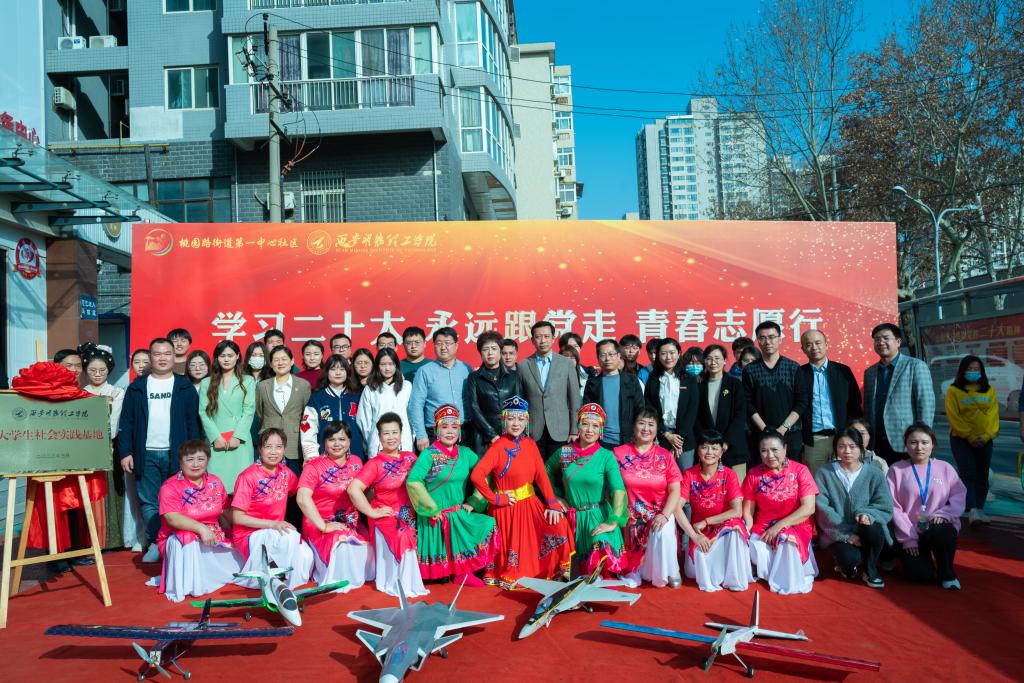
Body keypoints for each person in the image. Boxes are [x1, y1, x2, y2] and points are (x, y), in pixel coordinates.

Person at [470, 396, 574, 589]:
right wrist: (495, 498)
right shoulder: (498, 446)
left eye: (520, 418)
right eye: (511, 418)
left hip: (530, 503)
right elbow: (477, 475)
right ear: (504, 420)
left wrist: (551, 503)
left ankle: (557, 570)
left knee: (559, 523)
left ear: (526, 421)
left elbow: (541, 475)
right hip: (507, 509)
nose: (516, 423)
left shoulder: (531, 444)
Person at [119, 337, 202, 564]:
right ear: (150, 357)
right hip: (145, 454)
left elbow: (193, 422)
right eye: (157, 354)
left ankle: (178, 541)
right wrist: (126, 452)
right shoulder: (137, 387)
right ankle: (157, 542)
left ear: (174, 357)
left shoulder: (184, 387)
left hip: (178, 454)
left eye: (167, 353)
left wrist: (194, 453)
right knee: (150, 502)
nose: (162, 358)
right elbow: (126, 422)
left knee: (180, 499)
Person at [407, 405, 499, 585]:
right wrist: (431, 509)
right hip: (435, 516)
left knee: (489, 523)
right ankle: (445, 571)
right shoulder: (428, 455)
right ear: (436, 430)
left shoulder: (466, 454)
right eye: (444, 426)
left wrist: (474, 501)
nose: (450, 431)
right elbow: (413, 481)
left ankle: (462, 572)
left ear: (459, 430)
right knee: (436, 581)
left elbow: (485, 475)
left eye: (454, 426)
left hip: (457, 513)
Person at [348, 413, 427, 597]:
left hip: (411, 513)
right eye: (386, 433)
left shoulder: (411, 458)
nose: (391, 437)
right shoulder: (374, 464)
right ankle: (404, 584)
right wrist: (371, 512)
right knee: (404, 535)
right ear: (379, 436)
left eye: (395, 432)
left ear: (401, 433)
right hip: (387, 515)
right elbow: (353, 489)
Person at [546, 403, 628, 576]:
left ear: (601, 430)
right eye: (585, 424)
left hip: (597, 515)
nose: (590, 430)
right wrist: (554, 497)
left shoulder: (606, 456)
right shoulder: (564, 452)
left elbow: (619, 490)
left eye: (595, 426)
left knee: (599, 552)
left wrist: (613, 521)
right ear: (578, 426)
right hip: (571, 517)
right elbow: (543, 473)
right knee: (568, 572)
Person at [155, 440, 241, 602]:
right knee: (185, 536)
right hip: (179, 538)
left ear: (208, 460)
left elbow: (225, 510)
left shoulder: (215, 482)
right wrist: (201, 528)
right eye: (190, 459)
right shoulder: (170, 486)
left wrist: (250, 522)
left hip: (214, 535)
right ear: (181, 462)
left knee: (242, 562)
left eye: (201, 459)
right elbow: (172, 518)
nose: (195, 464)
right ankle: (192, 585)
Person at [231, 429, 314, 589]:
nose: (274, 452)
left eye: (279, 447)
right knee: (290, 536)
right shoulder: (247, 476)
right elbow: (237, 517)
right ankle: (279, 585)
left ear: (284, 450)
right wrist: (273, 524)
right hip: (250, 535)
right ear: (260, 449)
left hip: (276, 532)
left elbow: (300, 492)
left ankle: (289, 587)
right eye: (268, 447)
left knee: (306, 556)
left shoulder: (285, 473)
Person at [887, 422, 966, 589]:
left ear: (933, 444)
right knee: (920, 575)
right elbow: (894, 507)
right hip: (910, 530)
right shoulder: (896, 470)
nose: (919, 447)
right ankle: (912, 559)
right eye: (913, 442)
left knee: (941, 531)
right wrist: (908, 539)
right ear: (906, 445)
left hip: (937, 526)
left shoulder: (945, 468)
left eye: (924, 442)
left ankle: (947, 573)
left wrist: (944, 514)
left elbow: (959, 495)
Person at [814, 428, 893, 589]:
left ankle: (870, 569)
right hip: (837, 532)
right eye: (842, 446)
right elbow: (822, 507)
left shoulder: (875, 473)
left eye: (852, 446)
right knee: (849, 561)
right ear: (835, 448)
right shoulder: (825, 473)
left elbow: (884, 505)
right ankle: (850, 563)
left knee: (873, 528)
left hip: (865, 529)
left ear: (861, 448)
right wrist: (846, 534)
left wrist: (868, 514)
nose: (847, 451)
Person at [296, 422, 370, 591]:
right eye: (331, 439)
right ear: (324, 443)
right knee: (341, 541)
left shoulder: (357, 462)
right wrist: (324, 526)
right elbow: (302, 498)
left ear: (349, 441)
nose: (337, 444)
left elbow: (365, 493)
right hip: (320, 523)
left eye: (342, 439)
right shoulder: (314, 466)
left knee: (369, 544)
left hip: (352, 523)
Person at [742, 431, 818, 594]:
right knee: (751, 549)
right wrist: (746, 534)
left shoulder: (800, 470)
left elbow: (809, 508)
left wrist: (779, 526)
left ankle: (786, 579)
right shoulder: (754, 474)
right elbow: (748, 511)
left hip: (796, 525)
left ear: (785, 449)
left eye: (774, 450)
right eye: (764, 451)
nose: (770, 455)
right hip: (763, 528)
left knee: (786, 540)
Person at [677, 431, 753, 592]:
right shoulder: (690, 474)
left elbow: (737, 511)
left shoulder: (729, 475)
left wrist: (706, 521)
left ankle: (733, 579)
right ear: (698, 450)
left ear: (721, 452)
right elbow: (676, 507)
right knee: (691, 573)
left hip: (723, 530)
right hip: (700, 533)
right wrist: (694, 536)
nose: (709, 452)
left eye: (714, 448)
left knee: (735, 528)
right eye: (704, 447)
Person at [614, 408, 682, 588]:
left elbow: (675, 490)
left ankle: (668, 569)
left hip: (658, 512)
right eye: (641, 423)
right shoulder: (618, 453)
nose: (646, 428)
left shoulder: (665, 456)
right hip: (629, 515)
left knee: (663, 530)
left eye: (651, 424)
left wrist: (665, 515)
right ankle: (635, 569)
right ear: (633, 426)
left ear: (657, 429)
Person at [82, 345, 141, 551]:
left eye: (102, 370)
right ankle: (89, 539)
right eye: (92, 370)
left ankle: (112, 539)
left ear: (109, 370)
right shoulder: (80, 394)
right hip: (84, 449)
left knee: (110, 491)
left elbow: (113, 424)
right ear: (85, 370)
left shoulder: (116, 392)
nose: (97, 374)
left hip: (109, 448)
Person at [863, 323, 936, 465]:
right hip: (876, 443)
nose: (881, 342)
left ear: (898, 342)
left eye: (886, 338)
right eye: (877, 339)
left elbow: (926, 404)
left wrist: (922, 440)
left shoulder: (915, 366)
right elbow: (867, 409)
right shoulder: (870, 373)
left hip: (906, 441)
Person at [796, 329, 863, 476]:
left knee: (844, 479)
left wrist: (852, 434)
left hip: (841, 437)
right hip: (813, 440)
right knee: (816, 481)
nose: (814, 347)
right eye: (809, 344)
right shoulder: (799, 374)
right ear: (803, 349)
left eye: (818, 343)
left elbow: (855, 404)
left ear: (826, 344)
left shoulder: (843, 371)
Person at [945, 355, 999, 526]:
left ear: (982, 371)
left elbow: (993, 416)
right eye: (969, 369)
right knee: (968, 473)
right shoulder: (953, 390)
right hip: (961, 439)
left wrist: (986, 436)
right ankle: (972, 510)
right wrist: (970, 436)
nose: (973, 372)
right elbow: (954, 416)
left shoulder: (990, 390)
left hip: (985, 440)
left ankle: (980, 509)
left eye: (976, 369)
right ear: (962, 371)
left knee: (983, 475)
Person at [743, 321, 807, 461]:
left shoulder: (793, 367)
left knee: (791, 472)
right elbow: (748, 403)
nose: (767, 342)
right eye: (762, 338)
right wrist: (765, 429)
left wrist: (783, 429)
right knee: (761, 473)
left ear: (780, 339)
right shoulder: (750, 370)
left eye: (772, 337)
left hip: (791, 434)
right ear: (757, 341)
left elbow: (801, 402)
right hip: (760, 435)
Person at [199, 340, 257, 495]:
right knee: (216, 489)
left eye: (230, 355)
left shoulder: (248, 380)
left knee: (242, 489)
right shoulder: (206, 382)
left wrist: (238, 436)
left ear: (237, 356)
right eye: (222, 355)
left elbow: (249, 411)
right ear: (217, 358)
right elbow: (203, 412)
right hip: (217, 441)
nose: (226, 359)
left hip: (240, 440)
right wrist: (215, 437)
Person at [519, 321, 583, 457]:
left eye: (546, 336)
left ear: (553, 339)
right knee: (535, 468)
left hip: (561, 430)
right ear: (532, 340)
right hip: (533, 431)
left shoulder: (566, 364)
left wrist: (574, 429)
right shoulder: (523, 365)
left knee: (560, 468)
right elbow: (521, 399)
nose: (543, 341)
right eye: (538, 337)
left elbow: (574, 399)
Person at [408, 327, 473, 452]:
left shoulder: (466, 369)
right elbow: (416, 405)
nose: (443, 347)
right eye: (439, 343)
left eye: (447, 343)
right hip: (435, 432)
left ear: (456, 345)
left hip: (464, 430)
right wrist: (421, 435)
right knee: (438, 465)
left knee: (464, 464)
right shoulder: (424, 371)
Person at [464, 330, 523, 455]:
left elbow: (519, 407)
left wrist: (513, 430)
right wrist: (492, 435)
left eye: (494, 348)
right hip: (483, 437)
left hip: (509, 434)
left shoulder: (514, 376)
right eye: (485, 349)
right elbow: (474, 409)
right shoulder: (474, 378)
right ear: (480, 353)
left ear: (500, 351)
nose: (490, 353)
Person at [644, 338, 698, 471]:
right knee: (660, 474)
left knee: (685, 475)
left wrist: (678, 440)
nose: (668, 357)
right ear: (658, 356)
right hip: (661, 437)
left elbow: (692, 410)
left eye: (672, 353)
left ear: (679, 354)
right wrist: (666, 434)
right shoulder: (653, 379)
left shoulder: (689, 379)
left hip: (684, 439)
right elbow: (650, 409)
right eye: (663, 353)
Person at [255, 345, 313, 470]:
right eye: (276, 360)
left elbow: (307, 415)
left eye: (284, 359)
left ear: (292, 361)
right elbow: (260, 412)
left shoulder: (303, 385)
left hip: (295, 444)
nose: (280, 363)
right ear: (271, 364)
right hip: (269, 443)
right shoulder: (262, 386)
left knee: (294, 480)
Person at [697, 344, 749, 479]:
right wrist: (708, 442)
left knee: (735, 487)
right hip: (708, 449)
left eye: (717, 358)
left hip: (732, 447)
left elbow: (740, 416)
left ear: (725, 360)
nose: (713, 362)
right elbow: (696, 417)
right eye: (709, 358)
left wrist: (726, 442)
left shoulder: (735, 384)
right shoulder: (698, 386)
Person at [583, 339, 645, 449]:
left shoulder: (631, 381)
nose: (607, 359)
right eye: (603, 355)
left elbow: (640, 409)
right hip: (600, 441)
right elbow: (587, 413)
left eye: (611, 354)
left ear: (618, 356)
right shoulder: (592, 383)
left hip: (628, 440)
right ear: (598, 358)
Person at [302, 354, 365, 461]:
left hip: (355, 454)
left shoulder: (358, 396)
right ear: (326, 372)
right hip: (325, 455)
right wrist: (311, 454)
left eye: (342, 369)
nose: (338, 373)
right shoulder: (316, 398)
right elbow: (307, 428)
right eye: (333, 369)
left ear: (347, 372)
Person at [357, 347, 414, 457]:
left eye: (391, 364)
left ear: (396, 365)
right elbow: (364, 420)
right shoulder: (370, 389)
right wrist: (372, 440)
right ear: (377, 366)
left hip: (404, 442)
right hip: (378, 445)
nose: (387, 368)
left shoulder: (407, 387)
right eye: (383, 364)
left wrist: (411, 437)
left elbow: (412, 416)